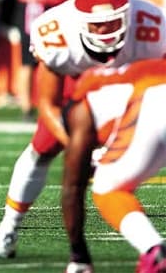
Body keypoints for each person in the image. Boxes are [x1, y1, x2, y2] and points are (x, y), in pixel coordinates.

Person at [0, 0, 166, 260]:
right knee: (40, 150)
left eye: (112, 22)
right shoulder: (55, 34)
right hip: (76, 83)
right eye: (96, 24)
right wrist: (80, 147)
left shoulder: (152, 25)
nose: (105, 31)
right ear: (78, 18)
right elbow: (49, 105)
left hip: (134, 87)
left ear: (128, 13)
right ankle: (8, 229)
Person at [62, 58, 166, 273]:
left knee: (107, 187)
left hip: (155, 99)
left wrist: (79, 255)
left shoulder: (83, 105)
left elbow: (72, 188)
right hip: (154, 86)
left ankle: (153, 250)